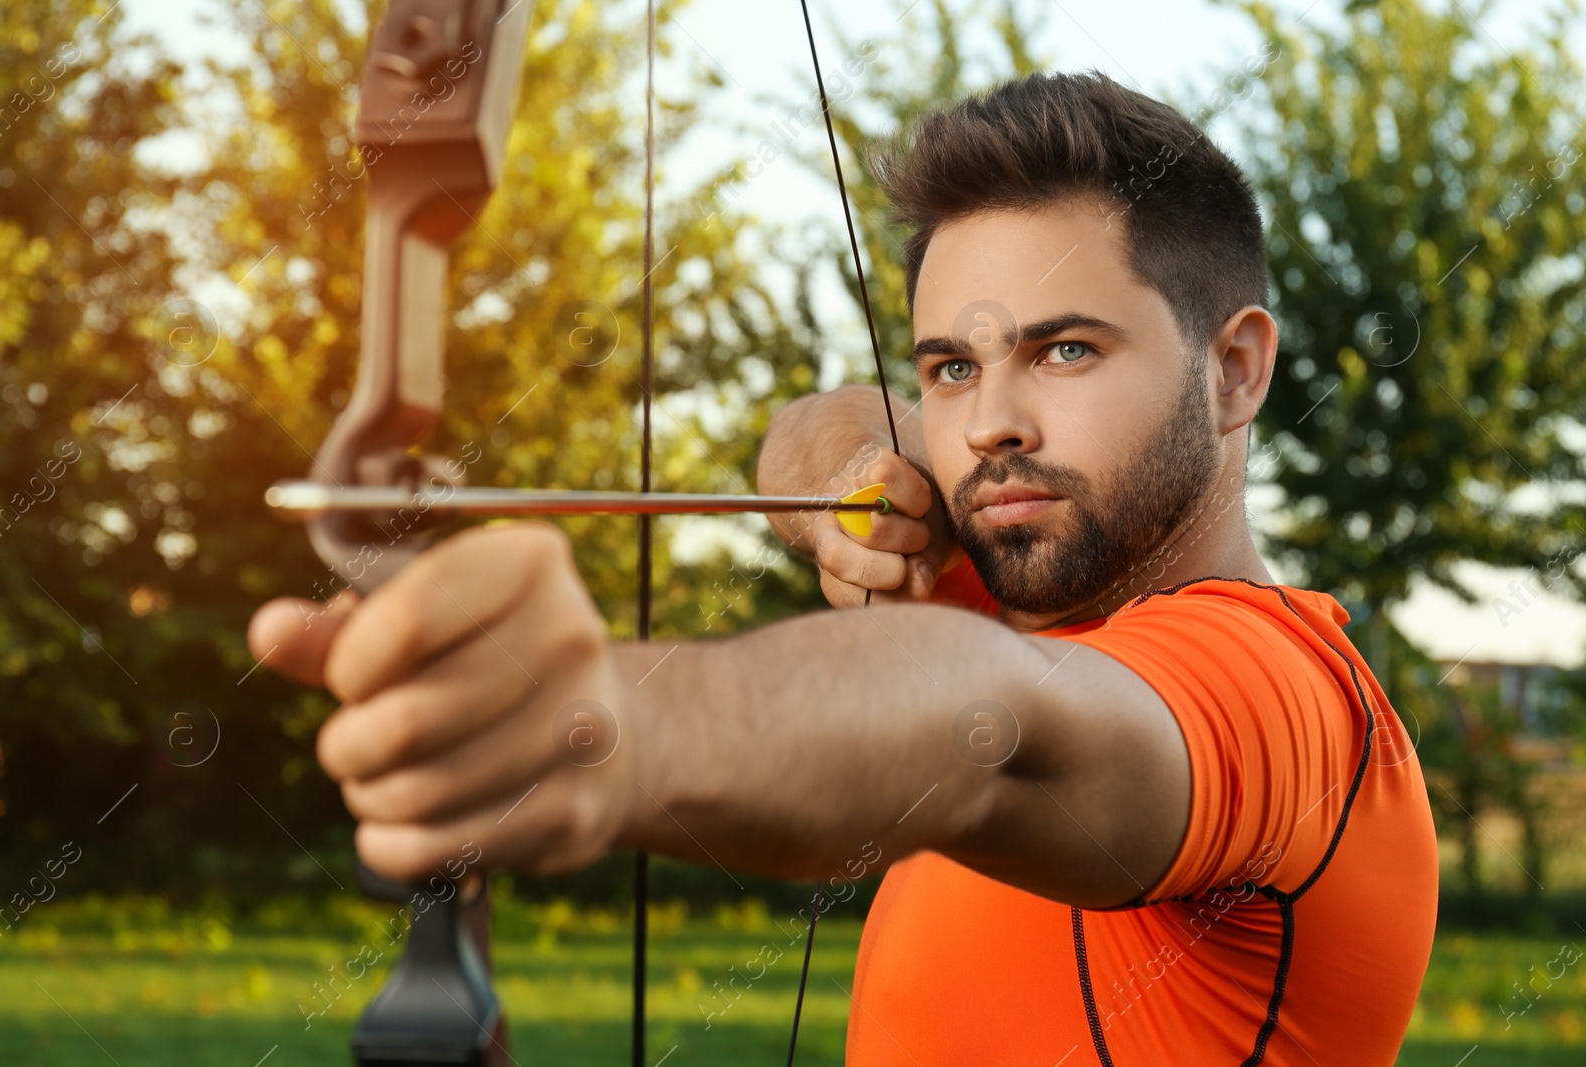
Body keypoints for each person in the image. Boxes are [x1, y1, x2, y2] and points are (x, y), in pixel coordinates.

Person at [248, 70, 1437, 1065]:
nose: (987, 426)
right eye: (951, 366)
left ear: (1232, 370)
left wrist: (611, 726)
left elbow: (991, 725)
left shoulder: (1287, 701)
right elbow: (824, 416)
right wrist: (843, 487)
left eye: (1065, 348)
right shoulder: (1030, 542)